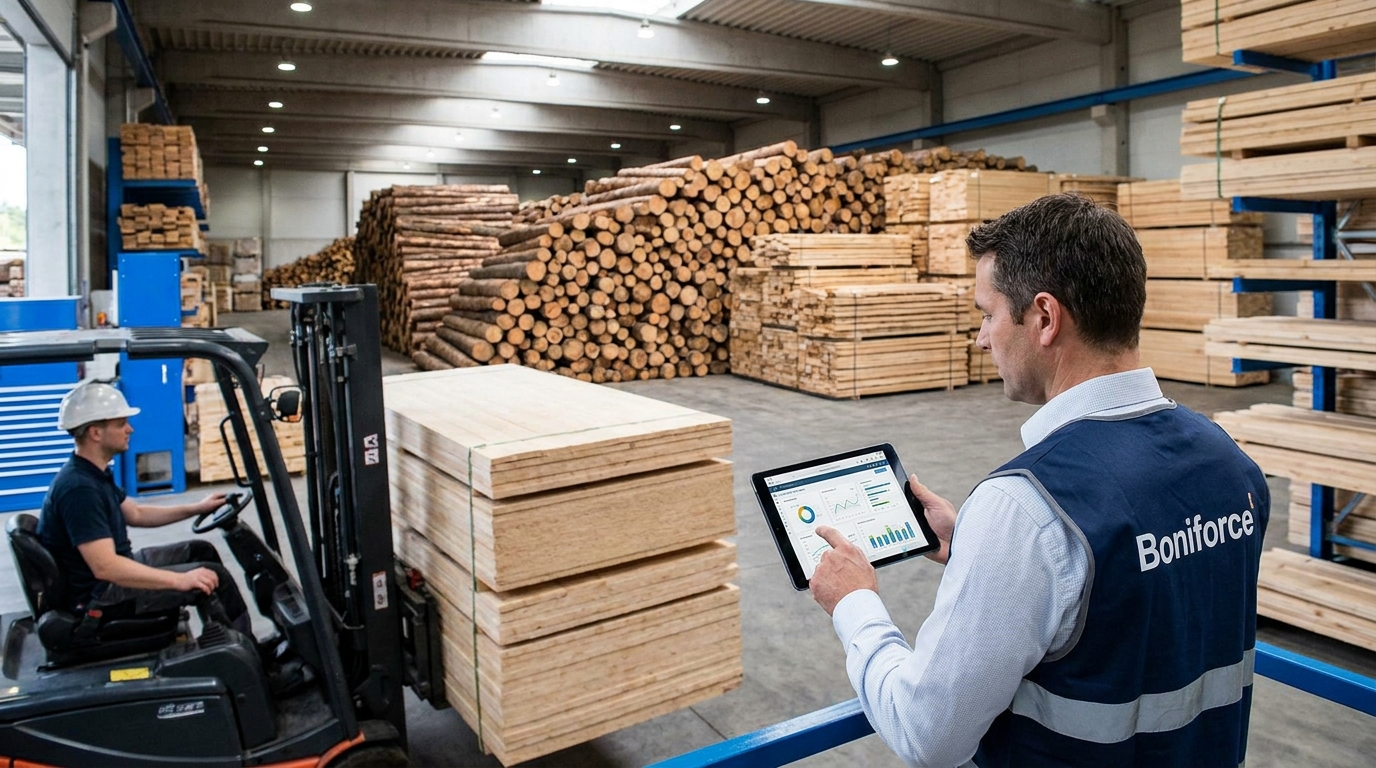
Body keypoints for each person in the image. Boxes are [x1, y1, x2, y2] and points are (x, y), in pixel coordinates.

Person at [809, 193, 1269, 768]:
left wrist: (855, 603)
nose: (981, 339)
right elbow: (1132, 603)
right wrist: (973, 549)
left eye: (988, 314)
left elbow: (926, 731)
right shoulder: (1230, 463)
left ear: (1044, 319)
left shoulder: (1026, 509)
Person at [37, 380, 253, 635]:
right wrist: (181, 580)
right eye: (121, 424)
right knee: (214, 578)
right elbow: (105, 567)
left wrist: (197, 507)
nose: (129, 429)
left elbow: (136, 514)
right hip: (101, 595)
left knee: (200, 552)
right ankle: (249, 653)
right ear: (95, 432)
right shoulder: (79, 489)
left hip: (109, 576)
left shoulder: (93, 474)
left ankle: (225, 637)